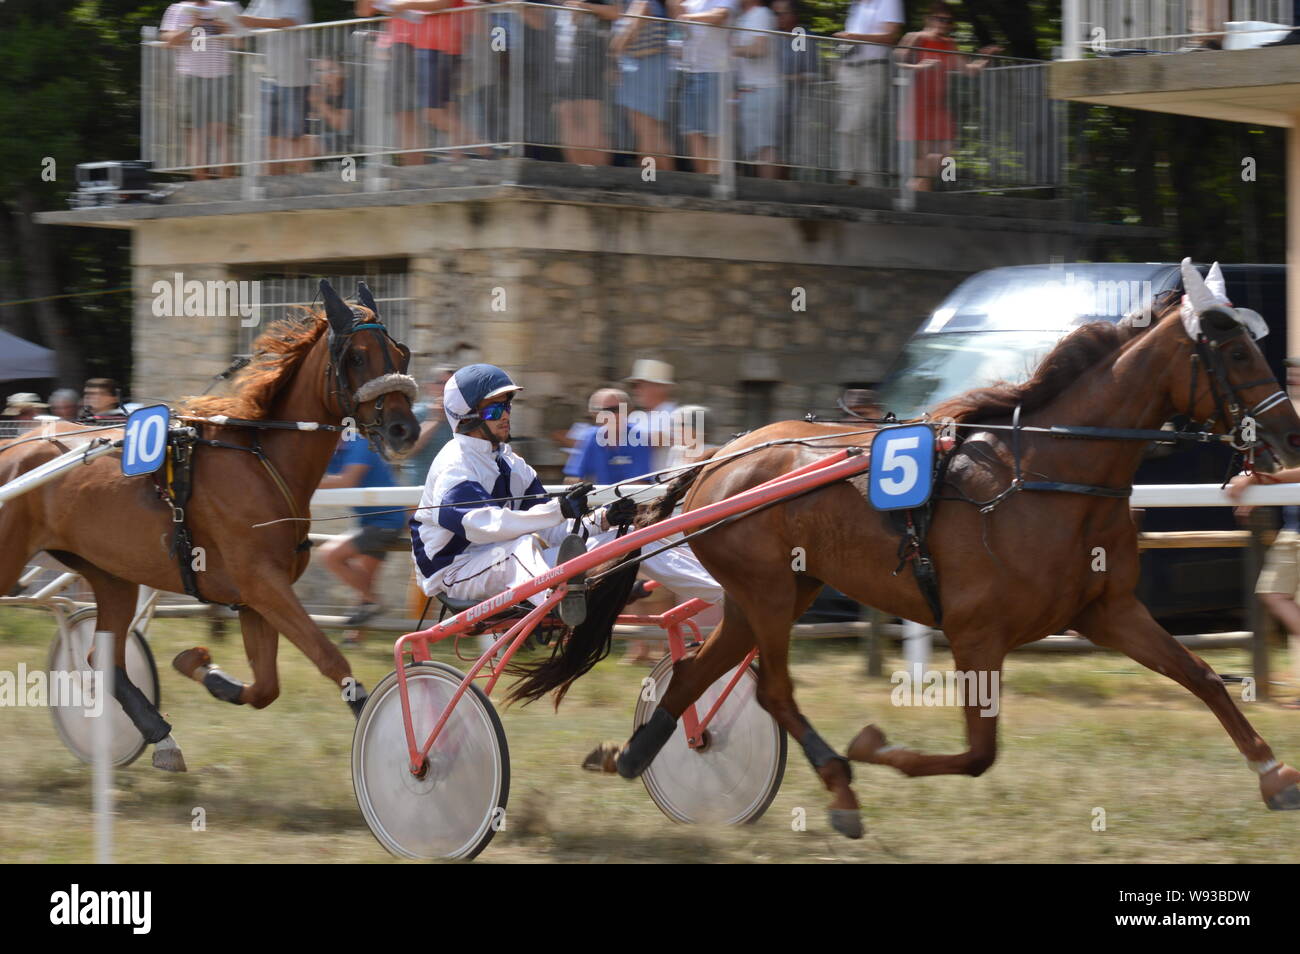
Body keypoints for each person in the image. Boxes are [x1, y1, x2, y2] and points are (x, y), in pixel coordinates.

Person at [410, 364, 722, 622]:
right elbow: (484, 527)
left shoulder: (513, 465)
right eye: (494, 410)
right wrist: (559, 509)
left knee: (632, 538)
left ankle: (724, 592)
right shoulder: (455, 464)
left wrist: (602, 518)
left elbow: (554, 529)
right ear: (467, 417)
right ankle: (565, 598)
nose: (506, 415)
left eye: (507, 405)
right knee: (521, 545)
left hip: (506, 562)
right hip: (452, 572)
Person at [1227, 358, 1300, 709]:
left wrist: (1258, 481)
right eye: (1290, 374)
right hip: (1293, 527)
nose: (1292, 379)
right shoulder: (1290, 417)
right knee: (1272, 593)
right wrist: (1259, 490)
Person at [894, 2, 1000, 192]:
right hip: (917, 106)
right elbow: (895, 63)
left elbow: (969, 70)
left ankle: (935, 189)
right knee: (925, 162)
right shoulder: (915, 38)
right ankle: (920, 198)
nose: (944, 23)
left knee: (948, 154)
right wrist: (919, 67)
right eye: (940, 18)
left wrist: (986, 58)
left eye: (949, 21)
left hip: (939, 108)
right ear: (928, 18)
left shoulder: (949, 44)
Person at [318, 432, 408, 628]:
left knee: (329, 556)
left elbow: (346, 481)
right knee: (364, 581)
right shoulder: (331, 449)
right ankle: (354, 638)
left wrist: (306, 485)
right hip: (370, 521)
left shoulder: (359, 444)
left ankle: (374, 601)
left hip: (386, 522)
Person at [159, 0, 242, 179]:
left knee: (223, 132)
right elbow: (169, 42)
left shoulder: (226, 7)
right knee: (196, 133)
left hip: (222, 75)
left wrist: (223, 28)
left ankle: (228, 185)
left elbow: (241, 42)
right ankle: (202, 187)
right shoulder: (178, 9)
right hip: (190, 76)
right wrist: (192, 27)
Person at [834, 0, 902, 186]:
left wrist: (854, 36)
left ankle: (849, 180)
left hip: (872, 70)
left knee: (851, 128)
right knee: (856, 132)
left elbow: (890, 37)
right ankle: (869, 186)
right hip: (850, 70)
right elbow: (850, 41)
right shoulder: (857, 5)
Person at [241, 0, 313, 175]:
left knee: (295, 137)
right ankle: (273, 186)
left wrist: (253, 23)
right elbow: (244, 23)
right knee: (269, 138)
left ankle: (304, 185)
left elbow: (290, 22)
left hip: (294, 78)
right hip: (268, 77)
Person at [670, 0, 740, 174]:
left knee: (715, 134)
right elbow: (677, 14)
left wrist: (688, 17)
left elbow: (719, 16)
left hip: (716, 74)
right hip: (690, 74)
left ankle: (716, 180)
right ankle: (704, 181)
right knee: (692, 132)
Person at [611, 0, 676, 171]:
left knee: (648, 130)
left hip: (647, 64)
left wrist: (615, 49)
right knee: (647, 130)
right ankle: (653, 180)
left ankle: (652, 180)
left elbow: (638, 15)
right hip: (642, 64)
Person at [556, 0, 621, 165]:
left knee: (591, 117)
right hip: (566, 56)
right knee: (566, 114)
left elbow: (615, 11)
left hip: (594, 57)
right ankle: (578, 173)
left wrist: (586, 7)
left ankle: (599, 175)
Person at [732, 0, 781, 179]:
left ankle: (769, 193)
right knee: (753, 149)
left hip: (763, 88)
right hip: (748, 90)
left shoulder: (761, 14)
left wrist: (731, 50)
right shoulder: (741, 18)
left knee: (764, 147)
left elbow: (760, 49)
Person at [564, 388, 651, 484]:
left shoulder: (638, 437)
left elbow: (639, 484)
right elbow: (573, 479)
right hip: (599, 497)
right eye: (604, 411)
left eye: (616, 409)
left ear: (628, 410)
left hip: (629, 497)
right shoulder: (590, 437)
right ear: (595, 414)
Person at [772, 0, 820, 175]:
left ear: (793, 15)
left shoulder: (801, 36)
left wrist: (785, 78)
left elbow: (812, 74)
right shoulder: (772, 35)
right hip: (773, 105)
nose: (777, 18)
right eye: (774, 14)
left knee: (791, 152)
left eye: (781, 14)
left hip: (797, 107)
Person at [403, 364, 456, 484]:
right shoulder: (416, 414)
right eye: (441, 383)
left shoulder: (463, 415)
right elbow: (407, 450)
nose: (446, 388)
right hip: (422, 488)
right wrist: (435, 419)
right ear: (429, 386)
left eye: (451, 384)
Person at [626, 358, 677, 471]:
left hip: (661, 485)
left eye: (641, 385)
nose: (636, 391)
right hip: (635, 483)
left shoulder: (676, 415)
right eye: (634, 386)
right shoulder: (635, 417)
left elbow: (661, 440)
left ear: (660, 388)